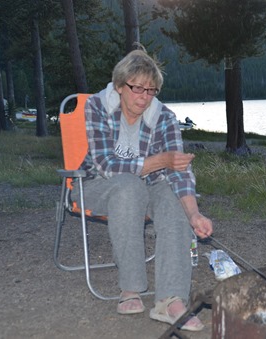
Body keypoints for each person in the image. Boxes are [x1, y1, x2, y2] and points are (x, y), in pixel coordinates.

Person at [71, 48, 213, 331]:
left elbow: (179, 172)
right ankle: (130, 289)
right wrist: (160, 161)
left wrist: (194, 214)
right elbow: (105, 164)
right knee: (129, 187)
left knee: (172, 197)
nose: (144, 97)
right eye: (138, 88)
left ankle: (170, 300)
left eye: (151, 90)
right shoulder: (98, 106)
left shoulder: (164, 117)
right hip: (94, 186)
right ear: (120, 86)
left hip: (148, 186)